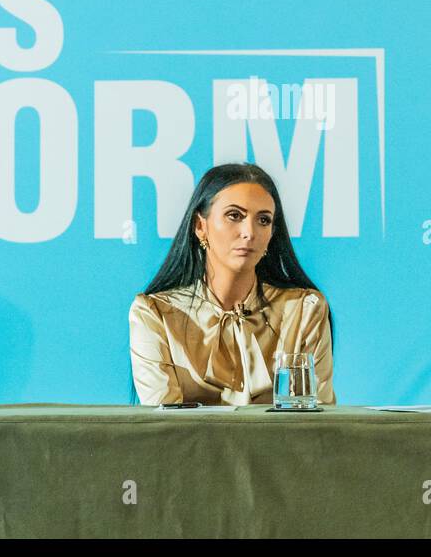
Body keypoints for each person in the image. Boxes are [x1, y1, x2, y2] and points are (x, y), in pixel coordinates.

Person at [129, 163, 335, 406]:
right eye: (234, 216)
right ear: (200, 226)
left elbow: (317, 423)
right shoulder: (155, 314)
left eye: (263, 220)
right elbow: (165, 430)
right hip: (188, 445)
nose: (249, 232)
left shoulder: (304, 310)